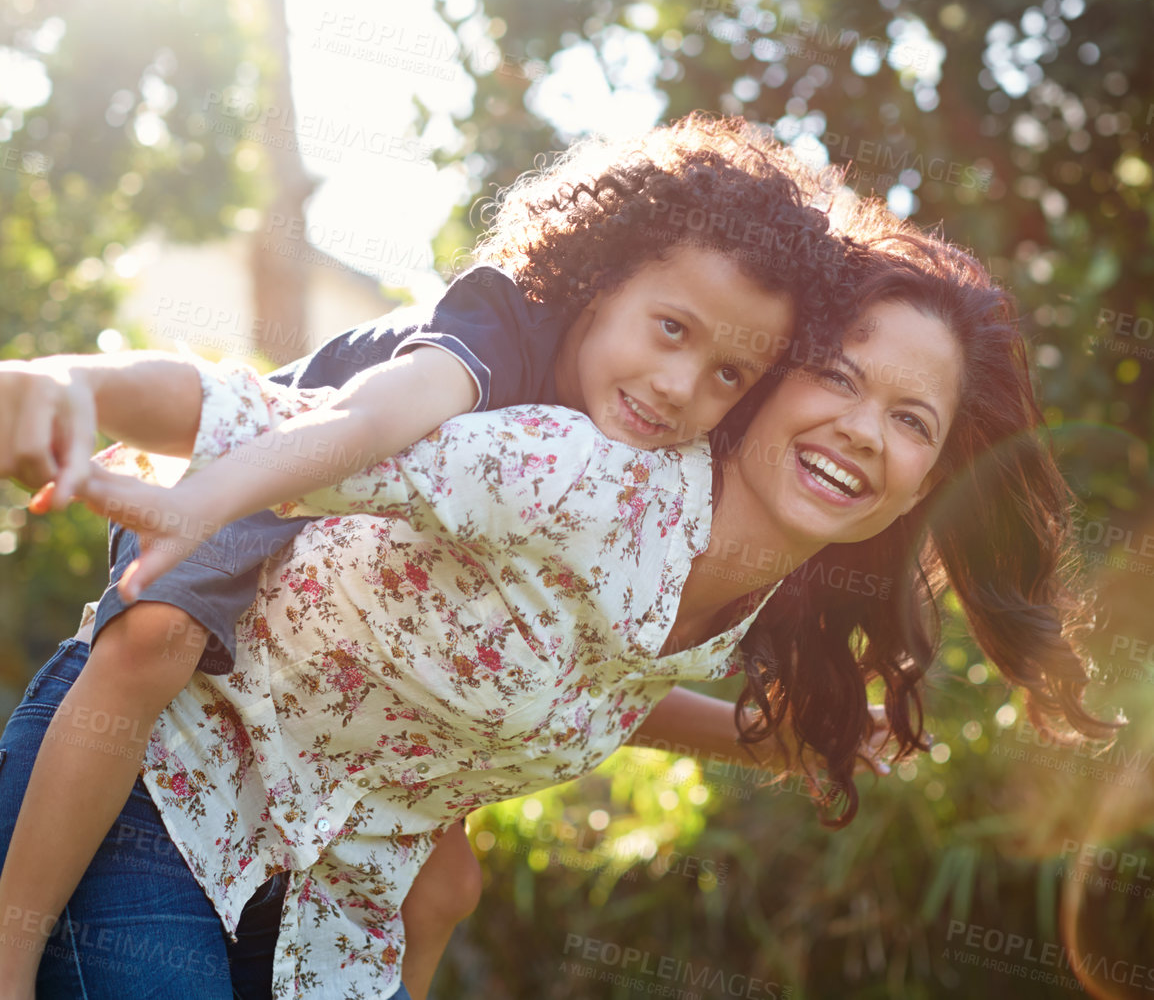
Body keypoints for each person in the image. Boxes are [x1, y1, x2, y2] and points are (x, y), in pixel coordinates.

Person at [0, 207, 1115, 999]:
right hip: (157, 785)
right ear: (776, 375)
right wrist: (68, 383)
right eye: (837, 374)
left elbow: (572, 681)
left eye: (911, 421)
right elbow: (259, 413)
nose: (864, 429)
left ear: (926, 483)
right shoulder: (573, 470)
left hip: (324, 898)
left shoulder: (754, 593)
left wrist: (779, 743)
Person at [0, 115, 847, 1000]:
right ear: (597, 288)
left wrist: (781, 741)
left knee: (445, 883)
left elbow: (587, 681)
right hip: (270, 462)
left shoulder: (645, 487)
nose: (681, 386)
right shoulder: (496, 340)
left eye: (728, 377)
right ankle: (9, 956)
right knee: (156, 640)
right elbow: (358, 427)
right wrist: (196, 498)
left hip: (351, 591)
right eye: (671, 329)